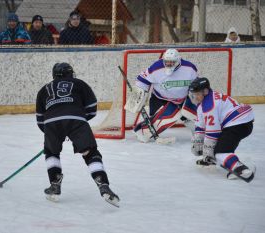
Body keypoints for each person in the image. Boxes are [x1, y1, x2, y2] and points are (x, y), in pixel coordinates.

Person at [36, 63, 120, 207]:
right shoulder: (79, 83)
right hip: (76, 119)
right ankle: (103, 184)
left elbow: (40, 119)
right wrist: (76, 123)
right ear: (70, 73)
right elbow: (92, 109)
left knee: (51, 153)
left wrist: (55, 135)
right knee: (90, 152)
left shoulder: (44, 89)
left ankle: (55, 185)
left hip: (51, 122)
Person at [189, 77, 255, 182]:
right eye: (193, 94)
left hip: (238, 124)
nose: (195, 97)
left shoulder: (209, 105)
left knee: (220, 152)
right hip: (241, 121)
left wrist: (208, 152)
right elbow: (200, 125)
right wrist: (198, 140)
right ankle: (228, 160)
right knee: (221, 146)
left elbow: (213, 134)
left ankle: (242, 170)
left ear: (205, 92)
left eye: (197, 94)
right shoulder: (206, 101)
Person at [125, 48, 198, 143]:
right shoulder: (156, 67)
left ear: (178, 61)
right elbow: (142, 79)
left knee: (189, 115)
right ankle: (142, 131)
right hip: (160, 98)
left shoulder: (189, 68)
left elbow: (196, 84)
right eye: (166, 62)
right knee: (155, 120)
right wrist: (139, 94)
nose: (168, 64)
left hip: (182, 99)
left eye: (172, 62)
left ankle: (198, 134)